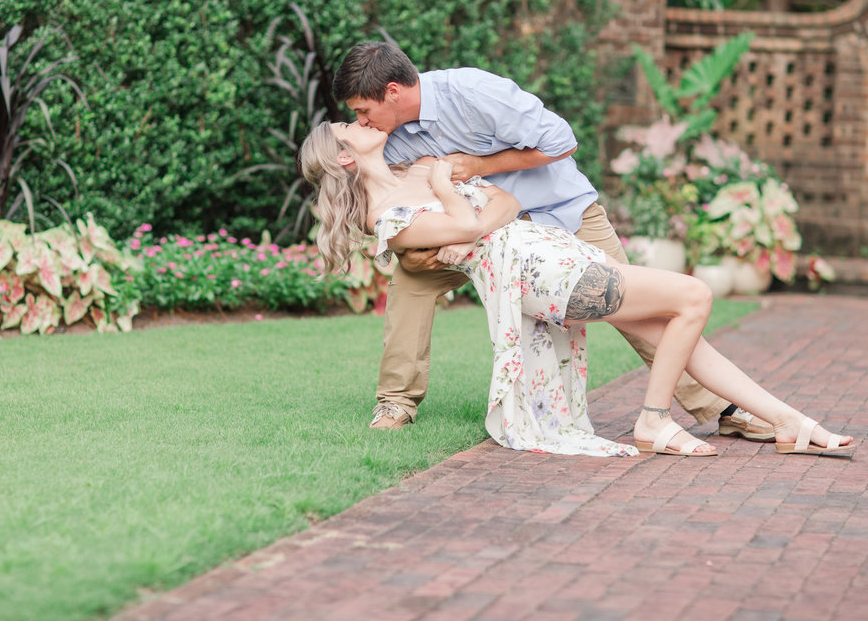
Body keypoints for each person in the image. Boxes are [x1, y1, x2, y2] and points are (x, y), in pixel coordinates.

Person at [299, 120, 856, 457]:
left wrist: (464, 210)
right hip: (538, 275)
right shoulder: (385, 214)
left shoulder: (417, 168)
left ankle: (790, 423)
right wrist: (452, 194)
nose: (361, 120)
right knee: (694, 296)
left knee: (674, 325)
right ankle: (654, 419)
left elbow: (507, 204)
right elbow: (471, 224)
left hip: (549, 249)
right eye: (348, 124)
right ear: (344, 155)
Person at [331, 41, 773, 443]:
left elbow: (562, 140)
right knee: (410, 279)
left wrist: (482, 163)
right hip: (482, 238)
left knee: (638, 306)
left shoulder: (471, 92)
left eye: (364, 110)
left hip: (560, 214)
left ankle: (723, 408)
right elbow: (387, 201)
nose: (361, 121)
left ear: (393, 91)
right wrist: (423, 248)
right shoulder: (388, 140)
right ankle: (397, 402)